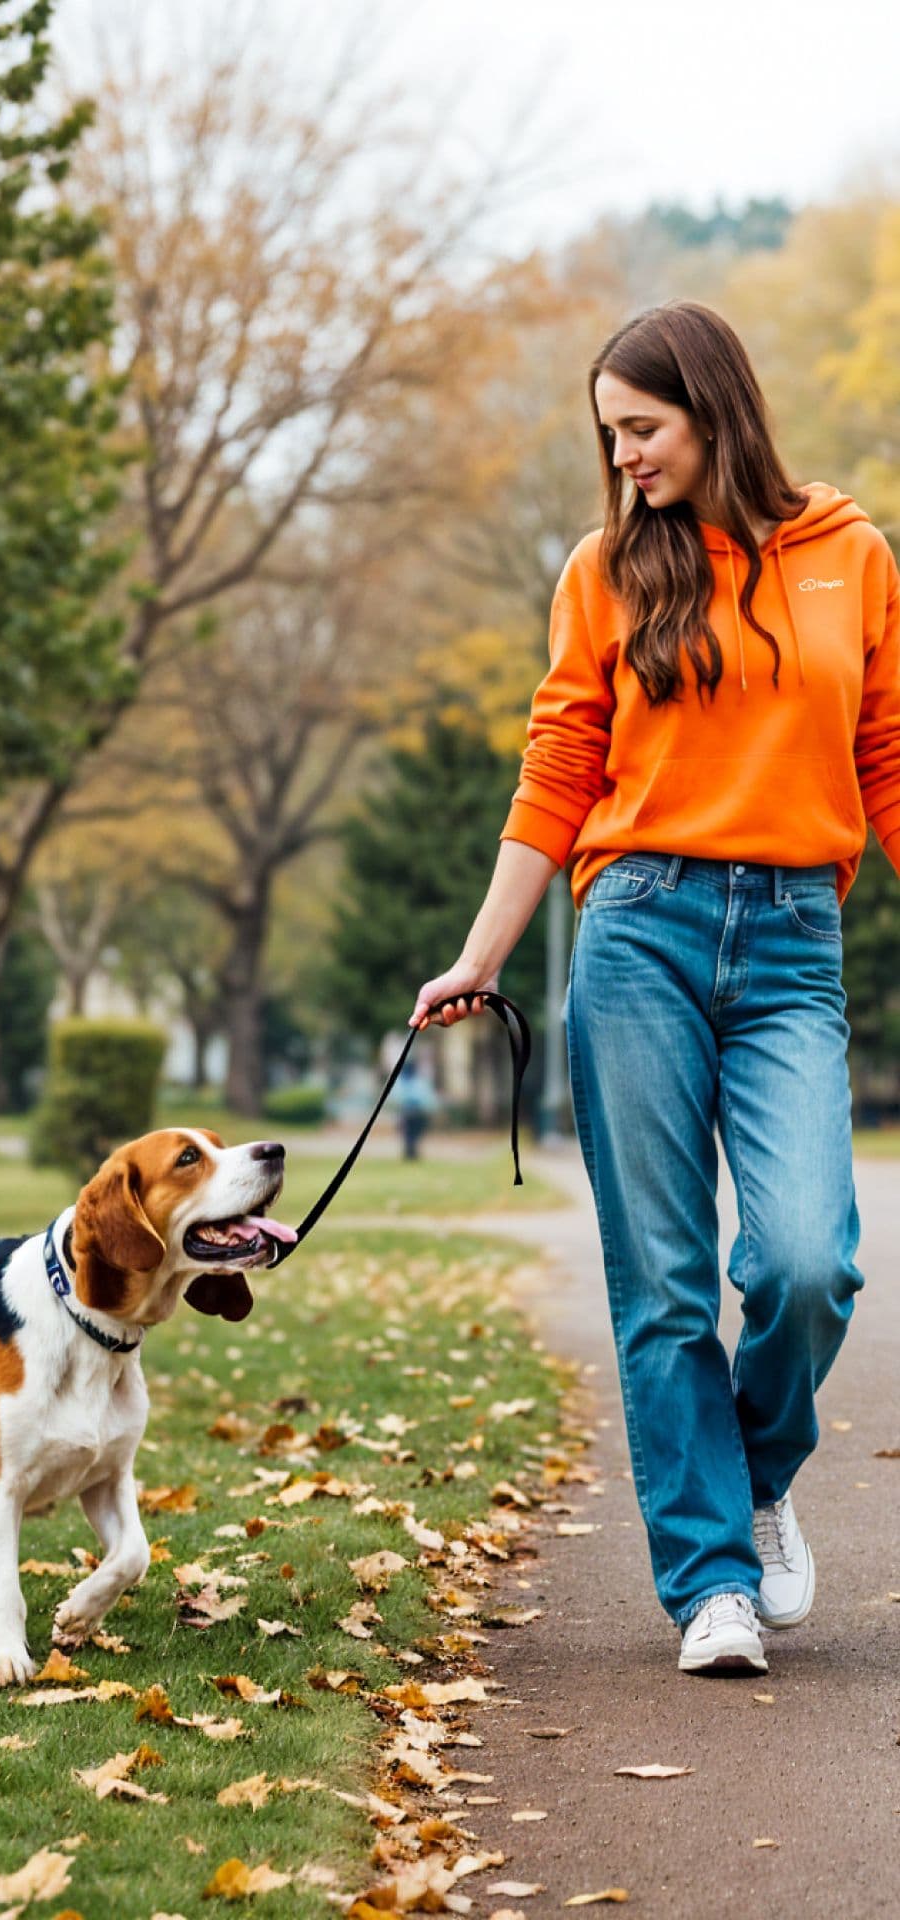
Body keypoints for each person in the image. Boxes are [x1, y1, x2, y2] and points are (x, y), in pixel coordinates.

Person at [409, 301, 900, 1676]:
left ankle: (750, 1475)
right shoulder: (605, 571)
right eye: (608, 434)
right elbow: (558, 769)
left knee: (808, 1260)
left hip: (794, 937)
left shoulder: (851, 558)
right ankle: (710, 1586)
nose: (622, 454)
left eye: (643, 427)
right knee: (668, 1280)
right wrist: (483, 954)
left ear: (716, 410)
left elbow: (891, 757)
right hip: (636, 932)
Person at [393, 1057, 438, 1160]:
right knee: (412, 1134)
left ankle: (411, 1152)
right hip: (413, 1112)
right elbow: (427, 1098)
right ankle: (411, 1153)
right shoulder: (418, 1081)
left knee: (411, 1134)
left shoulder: (408, 1081)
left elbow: (397, 1097)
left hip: (412, 1112)